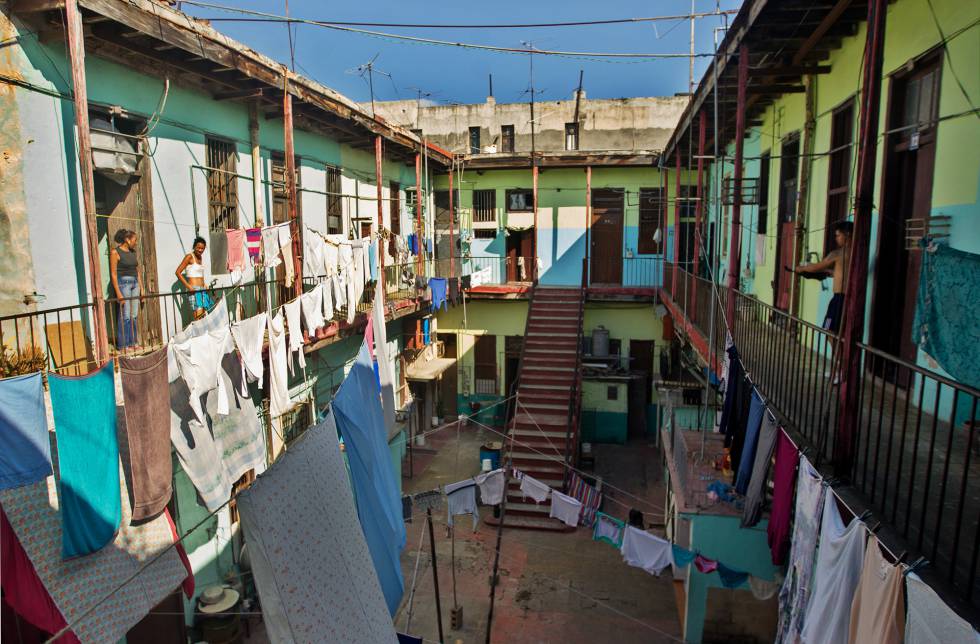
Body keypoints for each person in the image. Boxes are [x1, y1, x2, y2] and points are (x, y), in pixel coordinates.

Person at [792, 220, 853, 333]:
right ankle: (839, 350)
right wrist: (829, 271)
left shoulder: (838, 254)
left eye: (838, 235)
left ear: (847, 234)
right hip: (850, 299)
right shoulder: (855, 253)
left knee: (828, 328)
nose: (836, 238)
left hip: (839, 299)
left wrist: (802, 268)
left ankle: (836, 351)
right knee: (843, 332)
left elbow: (816, 267)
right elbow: (844, 273)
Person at [109, 229, 143, 349]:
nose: (136, 243)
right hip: (124, 284)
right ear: (127, 240)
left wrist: (142, 289)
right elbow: (113, 274)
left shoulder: (133, 252)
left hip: (134, 284)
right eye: (134, 240)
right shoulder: (115, 252)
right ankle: (124, 345)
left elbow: (137, 271)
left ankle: (133, 343)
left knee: (134, 315)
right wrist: (118, 293)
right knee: (125, 316)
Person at [176, 237, 213, 319]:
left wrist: (204, 285)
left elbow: (200, 274)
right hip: (194, 289)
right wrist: (188, 286)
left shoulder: (200, 258)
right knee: (198, 315)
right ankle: (198, 331)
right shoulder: (189, 257)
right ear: (194, 247)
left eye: (202, 248)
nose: (200, 250)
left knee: (203, 315)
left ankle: (203, 331)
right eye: (198, 248)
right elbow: (178, 272)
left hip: (202, 289)